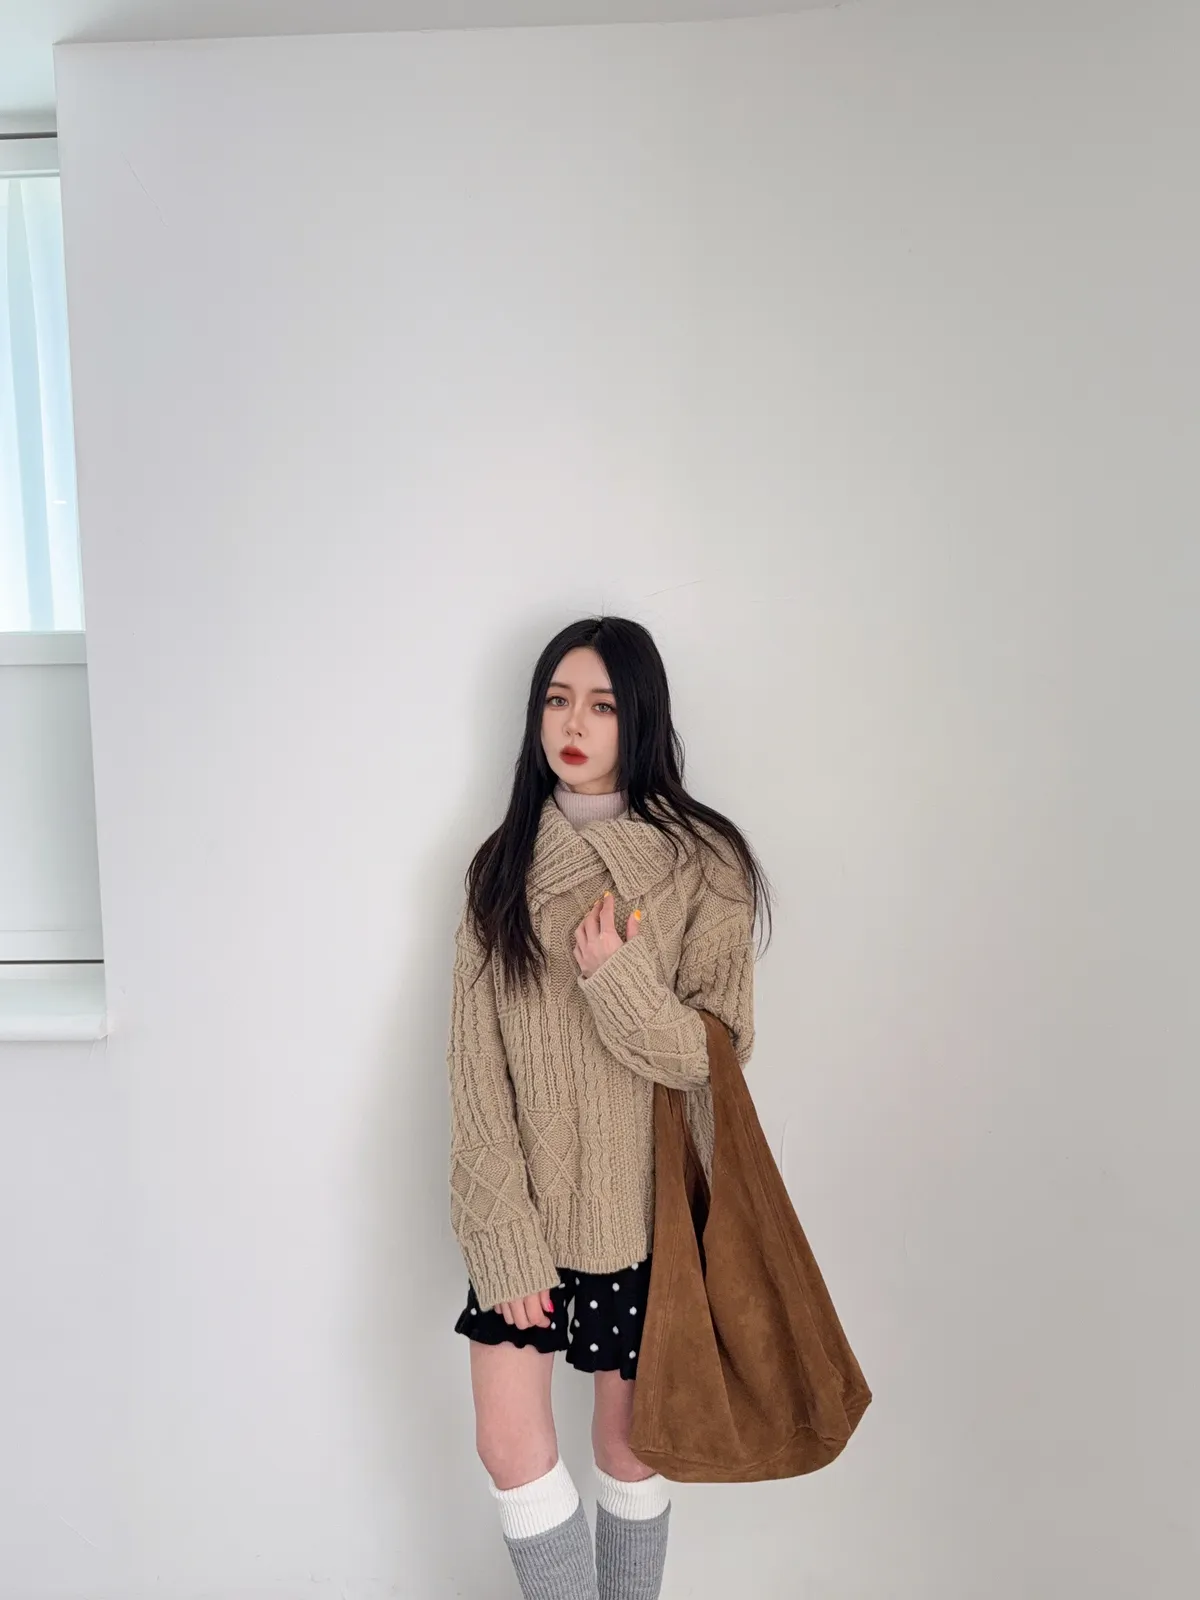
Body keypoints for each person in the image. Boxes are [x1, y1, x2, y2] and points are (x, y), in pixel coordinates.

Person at [445, 614, 772, 1600]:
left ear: (641, 716)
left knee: (630, 1450)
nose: (574, 724)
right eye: (557, 700)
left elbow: (717, 1057)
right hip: (527, 1213)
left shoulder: (704, 861)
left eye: (601, 704)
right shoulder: (500, 867)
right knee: (509, 1446)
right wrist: (502, 1231)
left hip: (645, 1214)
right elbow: (473, 1071)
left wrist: (616, 980)